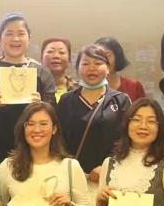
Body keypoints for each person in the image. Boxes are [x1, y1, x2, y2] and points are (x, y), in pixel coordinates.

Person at [0, 14, 57, 171]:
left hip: (33, 146)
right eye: (9, 34)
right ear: (0, 39)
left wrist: (41, 105)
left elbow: (53, 114)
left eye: (21, 34)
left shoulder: (41, 72)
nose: (15, 39)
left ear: (29, 38)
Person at [56, 44, 131, 182]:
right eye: (85, 63)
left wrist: (107, 166)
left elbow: (127, 140)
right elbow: (58, 139)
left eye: (98, 63)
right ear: (78, 68)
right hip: (71, 177)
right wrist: (67, 167)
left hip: (109, 178)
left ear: (108, 68)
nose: (91, 68)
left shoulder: (121, 100)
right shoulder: (66, 100)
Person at [95, 36, 146, 102]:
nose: (103, 61)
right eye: (98, 56)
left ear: (117, 56)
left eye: (107, 55)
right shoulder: (88, 90)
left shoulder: (134, 86)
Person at [40, 37, 76, 102]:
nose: (56, 56)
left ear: (69, 59)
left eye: (61, 52)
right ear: (41, 58)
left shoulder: (79, 90)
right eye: (50, 52)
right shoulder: (33, 88)